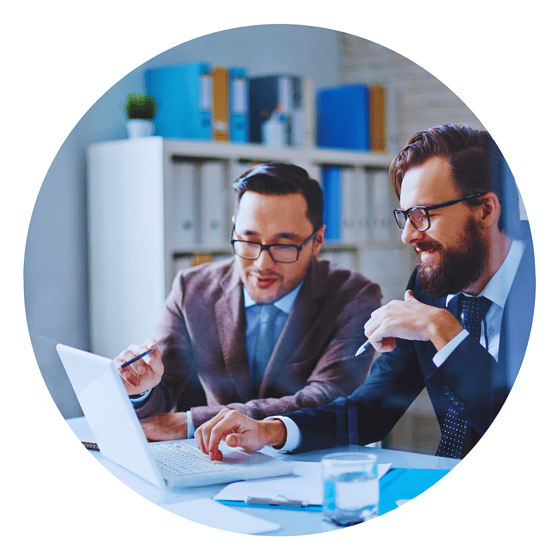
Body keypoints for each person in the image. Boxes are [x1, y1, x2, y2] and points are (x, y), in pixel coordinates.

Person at [195, 124, 536, 461]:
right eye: (406, 216)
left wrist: (445, 331)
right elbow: (372, 409)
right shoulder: (428, 287)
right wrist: (271, 430)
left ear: (485, 210)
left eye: (424, 215)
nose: (408, 237)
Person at [115, 162, 383, 441]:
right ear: (234, 230)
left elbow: (327, 398)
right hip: (217, 459)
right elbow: (163, 391)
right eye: (249, 241)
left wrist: (191, 422)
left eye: (283, 245)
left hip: (310, 461)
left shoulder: (355, 296)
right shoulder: (191, 289)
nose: (261, 263)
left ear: (317, 241)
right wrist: (139, 388)